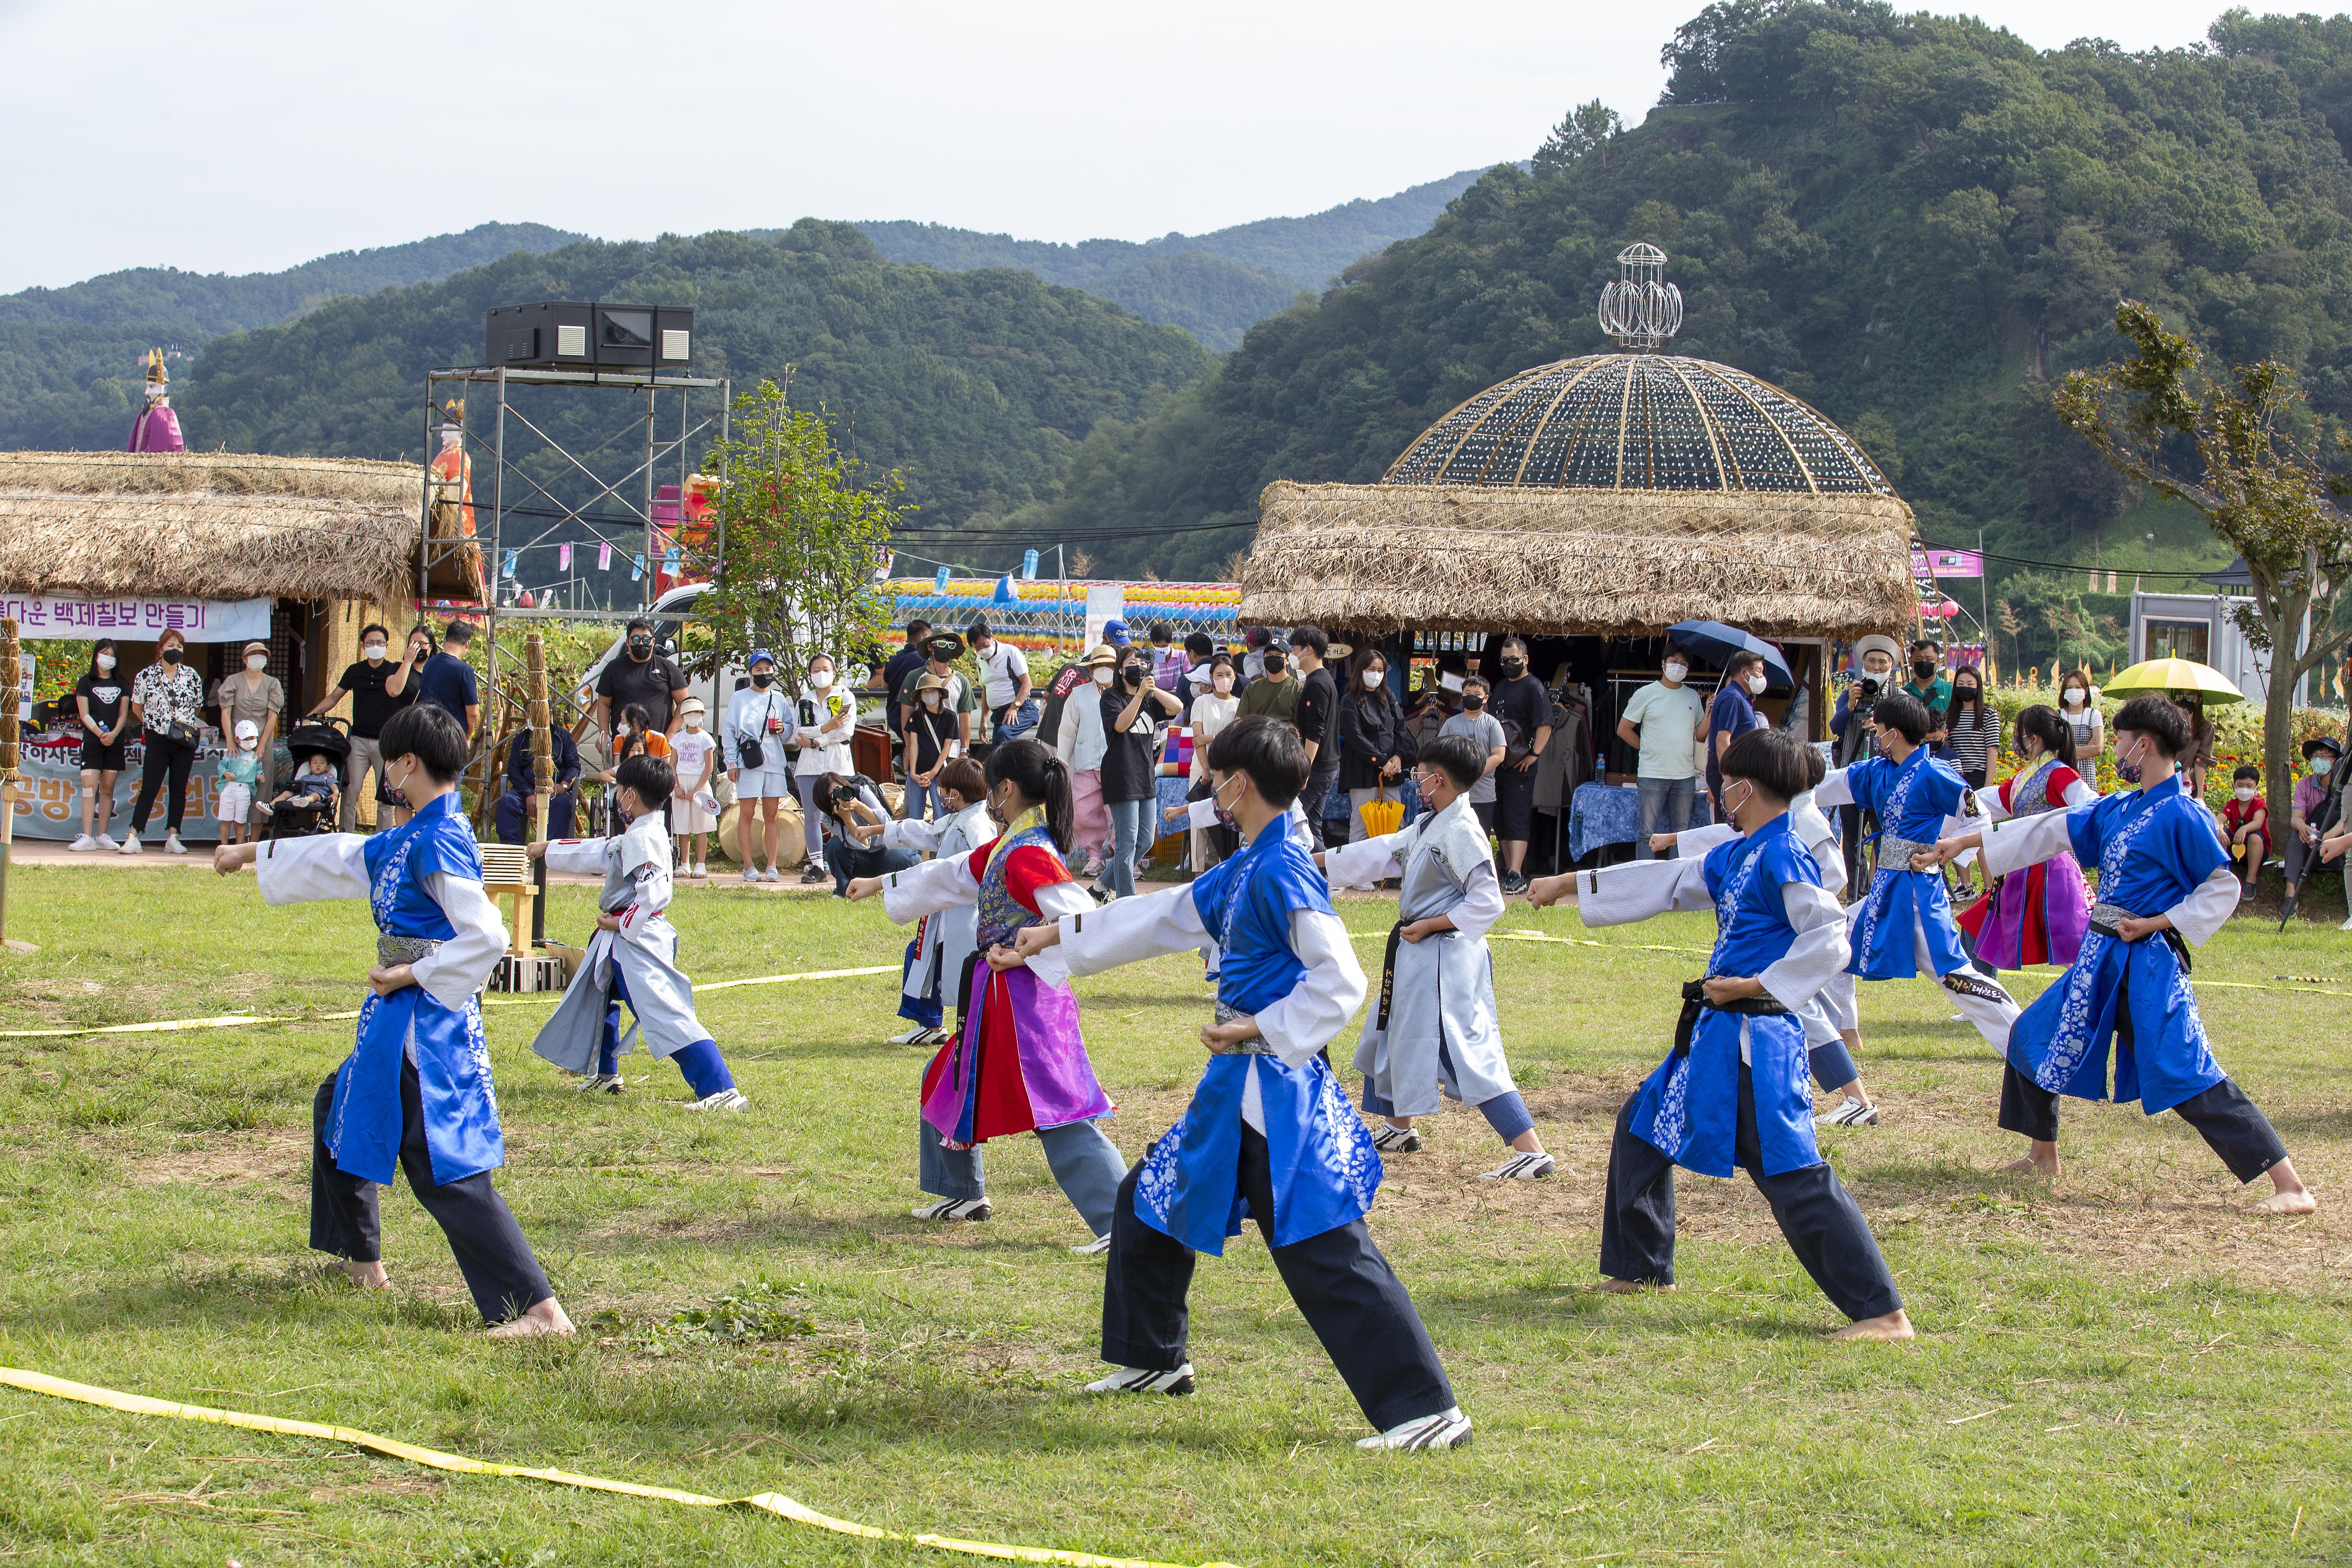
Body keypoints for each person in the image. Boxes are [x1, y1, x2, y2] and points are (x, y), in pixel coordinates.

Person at [1008, 716, 1473, 1449]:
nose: (1210, 789)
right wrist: (1053, 937)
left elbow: (1341, 980)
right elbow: (1164, 914)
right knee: (1147, 1203)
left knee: (1322, 1244)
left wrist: (1259, 1028)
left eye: (1215, 775)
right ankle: (1151, 1360)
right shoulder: (1254, 859)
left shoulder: (1282, 867)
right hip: (1235, 1091)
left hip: (1276, 1096)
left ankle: (1427, 1412)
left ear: (1240, 784)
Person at [1525, 728, 1913, 1341]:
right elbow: (1670, 882)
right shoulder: (1743, 851)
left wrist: (1758, 984)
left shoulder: (1785, 851)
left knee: (1792, 1173)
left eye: (1725, 782)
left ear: (1745, 788)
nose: (1719, 793)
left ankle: (1882, 1313)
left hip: (1758, 1040)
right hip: (1716, 1036)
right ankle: (1643, 1267)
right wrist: (1569, 886)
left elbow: (1829, 937)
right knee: (1640, 1124)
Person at [215, 702, 573, 1337]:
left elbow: (486, 935)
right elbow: (347, 855)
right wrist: (249, 853)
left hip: (424, 1028)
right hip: (396, 1021)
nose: (385, 772)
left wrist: (411, 973)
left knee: (440, 1164)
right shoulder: (413, 834)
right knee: (339, 1104)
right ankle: (361, 1263)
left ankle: (537, 1310)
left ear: (409, 763)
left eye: (389, 761)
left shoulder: (437, 838)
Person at [1919, 697, 2316, 1213]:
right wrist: (1966, 843)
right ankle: (2044, 1156)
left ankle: (2291, 1186)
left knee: (2185, 1072)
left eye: (2123, 739)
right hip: (2100, 960)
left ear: (2144, 744)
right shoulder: (2122, 806)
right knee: (2030, 1035)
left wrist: (2158, 922)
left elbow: (2223, 887)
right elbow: (2050, 828)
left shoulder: (2182, 813)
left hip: (2148, 965)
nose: (2118, 748)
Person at [847, 739, 1127, 1246]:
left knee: (1057, 1110)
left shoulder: (1029, 853)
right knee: (947, 1078)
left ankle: (1122, 1223)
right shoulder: (1010, 847)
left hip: (1027, 1003)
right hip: (995, 996)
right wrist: (882, 883)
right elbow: (952, 874)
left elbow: (1082, 917)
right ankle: (961, 1192)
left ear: (1005, 789)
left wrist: (1026, 952)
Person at [1323, 733, 1556, 1180]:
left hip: (1444, 958)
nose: (1415, 783)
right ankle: (1398, 1127)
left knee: (1462, 1049)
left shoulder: (1463, 830)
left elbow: (1489, 902)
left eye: (1420, 776)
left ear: (1440, 779)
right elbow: (1380, 852)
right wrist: (1312, 859)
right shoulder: (1433, 822)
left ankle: (1530, 1149)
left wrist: (1431, 924)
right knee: (1387, 1031)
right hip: (1419, 953)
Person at [1656, 744, 1884, 1130]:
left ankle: (1856, 1099)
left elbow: (1832, 880)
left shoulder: (1802, 824)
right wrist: (1678, 837)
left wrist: (1789, 908)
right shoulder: (1781, 821)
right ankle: (1855, 1098)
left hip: (1792, 943)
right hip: (1785, 947)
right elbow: (1728, 840)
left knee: (1808, 1020)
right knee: (1810, 1018)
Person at [528, 753, 747, 1111]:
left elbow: (656, 890)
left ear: (630, 795)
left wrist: (621, 922)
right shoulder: (641, 833)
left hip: (637, 942)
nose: (616, 796)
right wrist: (547, 849)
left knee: (664, 1013)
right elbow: (600, 851)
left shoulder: (643, 839)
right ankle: (605, 1073)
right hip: (620, 943)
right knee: (599, 997)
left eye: (618, 790)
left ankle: (719, 1090)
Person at [1811, 692, 2022, 1056]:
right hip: (1884, 894)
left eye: (1877, 728)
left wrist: (1947, 849)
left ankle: (2022, 1036)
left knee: (1956, 977)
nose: (1874, 734)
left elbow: (1979, 817)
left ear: (1893, 732)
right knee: (1832, 942)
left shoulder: (1934, 773)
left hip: (1917, 897)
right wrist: (1781, 784)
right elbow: (1828, 784)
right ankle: (1845, 1034)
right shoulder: (1877, 771)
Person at [862, 755, 991, 1047]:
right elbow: (925, 830)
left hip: (961, 913)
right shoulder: (961, 819)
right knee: (922, 957)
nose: (943, 798)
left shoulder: (976, 824)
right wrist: (879, 830)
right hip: (945, 909)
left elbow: (981, 863)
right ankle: (930, 1025)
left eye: (946, 793)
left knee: (937, 963)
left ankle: (935, 1025)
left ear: (955, 795)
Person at [1956, 704, 2096, 972]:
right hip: (2022, 871)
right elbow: (1991, 801)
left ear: (2033, 739)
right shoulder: (2026, 778)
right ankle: (1989, 1005)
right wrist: (1955, 796)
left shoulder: (2059, 774)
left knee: (2075, 947)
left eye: (2019, 734)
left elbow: (2090, 807)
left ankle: (2087, 1004)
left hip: (2053, 873)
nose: (2016, 740)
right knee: (1977, 928)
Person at [310, 624, 416, 832]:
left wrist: (409, 661)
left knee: (386, 799)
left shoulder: (394, 670)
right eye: (370, 643)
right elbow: (334, 697)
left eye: (379, 642)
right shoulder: (355, 671)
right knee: (350, 793)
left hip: (386, 744)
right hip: (357, 740)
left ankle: (382, 839)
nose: (375, 646)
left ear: (387, 644)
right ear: (363, 645)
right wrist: (313, 715)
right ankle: (345, 837)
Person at [1100, 645, 1183, 899]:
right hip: (1121, 775)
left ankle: (1102, 884)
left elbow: (1178, 707)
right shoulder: (1111, 698)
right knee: (1127, 843)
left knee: (1146, 839)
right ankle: (1127, 902)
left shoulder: (1149, 698)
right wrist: (1138, 697)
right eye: (1132, 664)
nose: (1138, 667)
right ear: (1121, 670)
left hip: (1145, 774)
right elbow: (1121, 725)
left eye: (1141, 663)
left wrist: (1152, 688)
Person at [123, 628, 206, 855]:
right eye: (171, 646)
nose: (175, 651)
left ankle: (173, 836)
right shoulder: (146, 676)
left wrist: (180, 724)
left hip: (184, 740)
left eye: (179, 647)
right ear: (161, 649)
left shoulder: (192, 676)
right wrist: (154, 723)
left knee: (179, 789)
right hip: (157, 739)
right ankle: (134, 835)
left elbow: (197, 706)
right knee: (150, 787)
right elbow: (137, 707)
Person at [1829, 635, 1902, 890]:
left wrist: (1885, 727)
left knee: (1885, 833)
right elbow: (1835, 727)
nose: (1877, 667)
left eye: (1883, 662)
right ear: (1863, 664)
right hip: (1853, 773)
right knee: (1851, 836)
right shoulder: (1851, 694)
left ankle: (1884, 887)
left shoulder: (1899, 697)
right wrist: (1849, 705)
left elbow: (1909, 736)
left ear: (1891, 666)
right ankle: (1857, 890)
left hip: (1887, 777)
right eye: (1871, 662)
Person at [1620, 650, 1707, 860]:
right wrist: (1646, 747)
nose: (1679, 667)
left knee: (1681, 834)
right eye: (1674, 662)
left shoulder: (1693, 697)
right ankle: (1647, 884)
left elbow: (1701, 734)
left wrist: (1711, 710)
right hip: (1652, 774)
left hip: (1685, 776)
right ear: (1663, 664)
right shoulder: (1646, 694)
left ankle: (1675, 884)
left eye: (1684, 664)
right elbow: (1624, 729)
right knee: (1647, 833)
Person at [780, 652, 857, 884]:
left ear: (834, 672)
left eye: (825, 669)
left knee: (843, 813)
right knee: (812, 816)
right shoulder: (805, 701)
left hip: (838, 764)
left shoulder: (845, 697)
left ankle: (848, 862)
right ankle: (817, 866)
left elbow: (845, 732)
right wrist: (826, 729)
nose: (821, 674)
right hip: (809, 766)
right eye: (815, 670)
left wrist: (815, 740)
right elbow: (799, 733)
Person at [724, 651, 795, 885]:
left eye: (768, 670)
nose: (764, 674)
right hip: (749, 763)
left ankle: (772, 865)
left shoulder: (780, 698)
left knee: (772, 815)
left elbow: (789, 731)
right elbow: (730, 732)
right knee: (746, 814)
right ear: (751, 672)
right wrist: (731, 763)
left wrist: (781, 730)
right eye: (759, 670)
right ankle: (748, 866)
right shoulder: (739, 698)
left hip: (774, 762)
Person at [1488, 636, 1553, 893]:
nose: (1508, 665)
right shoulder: (1502, 687)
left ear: (1525, 660)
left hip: (1521, 768)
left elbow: (1545, 724)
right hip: (1499, 765)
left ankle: (1517, 873)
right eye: (1504, 661)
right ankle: (1507, 870)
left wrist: (1534, 754)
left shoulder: (1534, 687)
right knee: (1501, 820)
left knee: (1516, 818)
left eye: (1513, 660)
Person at [1053, 644, 1121, 878]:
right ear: (1091, 670)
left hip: (1118, 765)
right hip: (1086, 764)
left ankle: (1122, 857)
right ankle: (1095, 857)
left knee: (1121, 813)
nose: (1104, 669)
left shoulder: (1125, 693)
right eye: (1099, 665)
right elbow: (1067, 731)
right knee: (1083, 813)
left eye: (1109, 665)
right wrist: (1062, 761)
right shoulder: (1079, 695)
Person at [895, 632, 979, 805]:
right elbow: (906, 717)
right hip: (921, 752)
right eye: (941, 644)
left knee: (948, 805)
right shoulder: (914, 678)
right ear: (930, 647)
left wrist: (965, 751)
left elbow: (965, 720)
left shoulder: (961, 681)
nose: (945, 649)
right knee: (913, 807)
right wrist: (910, 749)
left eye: (951, 646)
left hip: (951, 753)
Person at [1337, 649, 1406, 854]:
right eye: (1371, 669)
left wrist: (1398, 756)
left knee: (1396, 821)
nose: (1376, 674)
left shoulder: (1388, 695)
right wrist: (1382, 762)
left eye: (1380, 670)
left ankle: (1394, 872)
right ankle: (1358, 875)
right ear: (1361, 670)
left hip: (1392, 770)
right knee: (1361, 823)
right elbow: (1356, 738)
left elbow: (1401, 727)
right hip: (1362, 769)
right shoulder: (1349, 700)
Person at [214, 640, 285, 836]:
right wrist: (230, 740)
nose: (258, 658)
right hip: (238, 744)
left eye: (262, 655)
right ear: (244, 659)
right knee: (235, 788)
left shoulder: (272, 684)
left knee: (261, 789)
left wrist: (262, 744)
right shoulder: (233, 681)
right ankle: (234, 842)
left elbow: (273, 716)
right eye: (253, 655)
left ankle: (253, 842)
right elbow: (226, 713)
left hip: (263, 743)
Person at [68, 638, 129, 851]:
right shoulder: (86, 682)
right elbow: (84, 714)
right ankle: (87, 836)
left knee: (107, 788)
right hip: (93, 742)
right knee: (88, 785)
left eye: (113, 655)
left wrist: (112, 734)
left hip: (115, 742)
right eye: (105, 653)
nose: (109, 658)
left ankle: (103, 835)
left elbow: (124, 715)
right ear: (96, 655)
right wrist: (100, 733)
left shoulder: (122, 684)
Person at [1186, 655, 1242, 873]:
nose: (1224, 679)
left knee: (1226, 820)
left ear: (1235, 677)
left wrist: (1210, 738)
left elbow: (1235, 738)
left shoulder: (1239, 705)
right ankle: (1198, 871)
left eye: (1228, 675)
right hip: (1201, 769)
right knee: (1198, 821)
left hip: (1228, 772)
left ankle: (1226, 868)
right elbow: (1196, 739)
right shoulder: (1202, 702)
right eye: (1219, 675)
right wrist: (1206, 768)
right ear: (1211, 678)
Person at [1288, 626, 1341, 851]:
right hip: (1326, 766)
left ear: (1308, 650)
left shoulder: (1318, 683)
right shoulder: (1322, 679)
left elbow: (1315, 731)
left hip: (1317, 768)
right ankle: (1327, 877)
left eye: (1294, 649)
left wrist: (1305, 771)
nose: (1291, 655)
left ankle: (1332, 874)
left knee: (1291, 821)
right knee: (1312, 826)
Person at [594, 617, 688, 744]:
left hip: (659, 746)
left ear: (653, 642)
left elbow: (684, 702)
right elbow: (604, 704)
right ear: (628, 642)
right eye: (636, 639)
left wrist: (670, 736)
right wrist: (604, 735)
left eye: (646, 639)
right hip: (624, 746)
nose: (641, 644)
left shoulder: (668, 668)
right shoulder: (613, 669)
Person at [2279, 736, 2343, 921]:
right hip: (2311, 843)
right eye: (2315, 756)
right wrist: (2303, 828)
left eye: (2325, 756)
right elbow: (2296, 818)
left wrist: (2328, 838)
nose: (2319, 761)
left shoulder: (2344, 788)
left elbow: (2345, 822)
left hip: (2337, 843)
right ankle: (2290, 895)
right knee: (2294, 836)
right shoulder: (2304, 786)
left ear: (2335, 762)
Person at [1435, 675, 1506, 837]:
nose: (1471, 696)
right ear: (1462, 695)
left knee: (1479, 840)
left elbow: (1499, 755)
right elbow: (1439, 752)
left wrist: (1474, 772)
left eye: (1477, 693)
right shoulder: (1451, 723)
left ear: (1486, 698)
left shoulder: (1492, 724)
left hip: (1483, 796)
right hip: (1454, 796)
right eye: (1468, 693)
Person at [493, 717, 581, 845]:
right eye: (529, 712)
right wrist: (528, 793)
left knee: (562, 804)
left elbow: (574, 766)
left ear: (548, 713)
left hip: (554, 791)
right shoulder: (521, 740)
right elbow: (514, 771)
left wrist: (565, 785)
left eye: (534, 711)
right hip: (525, 791)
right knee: (508, 802)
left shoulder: (562, 737)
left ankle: (552, 851)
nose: (531, 715)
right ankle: (512, 851)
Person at [815, 771, 904, 896]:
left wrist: (858, 806)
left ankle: (904, 885)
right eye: (834, 795)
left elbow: (888, 825)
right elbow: (864, 844)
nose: (841, 797)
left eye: (842, 790)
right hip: (861, 860)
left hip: (886, 853)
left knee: (907, 856)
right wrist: (848, 820)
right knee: (833, 846)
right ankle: (846, 891)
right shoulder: (829, 818)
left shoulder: (861, 791)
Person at [1705, 650, 1769, 816]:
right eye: (1759, 671)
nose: (1762, 676)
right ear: (1744, 673)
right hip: (1730, 770)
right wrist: (1729, 779)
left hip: (1740, 768)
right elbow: (1722, 741)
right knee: (1728, 827)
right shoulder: (1732, 698)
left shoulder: (1743, 698)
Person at [902, 671, 965, 822]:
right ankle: (916, 847)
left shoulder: (950, 717)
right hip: (917, 773)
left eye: (933, 691)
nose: (929, 695)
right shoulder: (915, 717)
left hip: (939, 773)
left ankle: (940, 846)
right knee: (915, 817)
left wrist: (933, 772)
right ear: (921, 696)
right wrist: (913, 772)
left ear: (940, 694)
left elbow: (947, 747)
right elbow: (914, 745)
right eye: (925, 692)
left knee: (941, 813)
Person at [670, 696, 718, 879]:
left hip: (700, 786)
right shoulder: (678, 739)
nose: (692, 717)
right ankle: (685, 864)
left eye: (696, 713)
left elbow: (709, 768)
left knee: (700, 826)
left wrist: (696, 790)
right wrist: (676, 786)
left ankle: (701, 864)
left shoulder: (706, 739)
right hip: (681, 785)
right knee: (683, 826)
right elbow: (672, 764)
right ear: (683, 716)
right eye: (688, 713)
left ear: (703, 715)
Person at [970, 619, 1034, 748]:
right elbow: (986, 689)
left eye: (985, 645)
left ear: (992, 637)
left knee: (1005, 735)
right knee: (997, 752)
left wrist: (1014, 708)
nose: (982, 650)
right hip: (999, 715)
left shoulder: (1010, 652)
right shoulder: (980, 660)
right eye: (978, 648)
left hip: (1021, 709)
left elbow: (1027, 683)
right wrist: (984, 720)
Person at [415, 621, 481, 739]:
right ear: (468, 644)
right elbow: (473, 713)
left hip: (426, 732)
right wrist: (467, 734)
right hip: (450, 736)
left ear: (445, 639)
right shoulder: (464, 670)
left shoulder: (430, 663)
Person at [1944, 665, 1999, 790]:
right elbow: (1949, 747)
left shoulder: (1989, 713)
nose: (1965, 688)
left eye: (1970, 684)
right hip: (1957, 778)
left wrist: (1988, 784)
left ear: (1978, 687)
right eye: (1961, 684)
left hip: (1979, 778)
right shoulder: (1950, 715)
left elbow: (1992, 750)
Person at [882, 619, 934, 748]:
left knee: (910, 747)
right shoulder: (924, 661)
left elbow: (885, 686)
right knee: (918, 749)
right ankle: (901, 762)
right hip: (912, 717)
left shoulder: (893, 657)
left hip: (894, 716)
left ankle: (900, 762)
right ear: (924, 638)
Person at [2221, 764, 2267, 899]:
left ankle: (2251, 881)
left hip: (2256, 851)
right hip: (2234, 849)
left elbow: (2258, 823)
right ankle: (2221, 876)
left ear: (2256, 788)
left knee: (2255, 837)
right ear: (2234, 787)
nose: (2244, 790)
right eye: (2240, 785)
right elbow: (2219, 820)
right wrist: (2221, 830)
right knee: (2220, 834)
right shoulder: (2232, 804)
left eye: (2249, 786)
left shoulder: (2259, 804)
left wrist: (2244, 829)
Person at [216, 720, 263, 846]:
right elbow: (222, 766)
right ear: (237, 740)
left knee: (241, 821)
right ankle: (224, 846)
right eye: (246, 739)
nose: (250, 741)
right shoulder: (232, 753)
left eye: (252, 738)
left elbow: (260, 770)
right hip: (230, 788)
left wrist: (260, 776)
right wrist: (226, 773)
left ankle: (240, 846)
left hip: (245, 790)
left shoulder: (256, 756)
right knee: (227, 820)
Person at [1236, 632, 1298, 722]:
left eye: (1278, 655)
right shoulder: (1251, 689)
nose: (1274, 658)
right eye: (1269, 655)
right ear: (1264, 659)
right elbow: (1239, 720)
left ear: (1287, 661)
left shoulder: (1298, 689)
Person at [268, 748, 342, 821]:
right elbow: (296, 786)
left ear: (328, 768)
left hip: (319, 797)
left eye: (322, 763)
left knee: (315, 795)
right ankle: (271, 806)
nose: (318, 765)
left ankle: (305, 801)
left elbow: (333, 785)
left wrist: (336, 793)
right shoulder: (306, 777)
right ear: (310, 767)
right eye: (315, 763)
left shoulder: (328, 777)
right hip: (302, 794)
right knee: (287, 793)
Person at [2174, 692, 2218, 800]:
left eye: (2190, 697)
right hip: (2167, 778)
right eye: (2179, 696)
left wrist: (2199, 795)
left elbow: (2201, 761)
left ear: (2199, 701)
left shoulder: (2206, 728)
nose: (2184, 701)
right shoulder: (2168, 724)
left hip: (2188, 782)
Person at [2058, 669, 2104, 765]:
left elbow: (2098, 749)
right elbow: (2054, 751)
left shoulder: (2094, 715)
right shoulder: (2057, 716)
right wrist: (2087, 750)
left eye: (2078, 687)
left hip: (2087, 774)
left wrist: (2065, 750)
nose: (2074, 691)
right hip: (2063, 772)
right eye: (2069, 688)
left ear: (2086, 691)